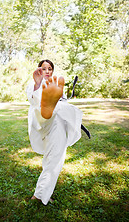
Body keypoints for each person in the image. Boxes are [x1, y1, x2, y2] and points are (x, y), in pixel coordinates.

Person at [26, 59, 83, 205]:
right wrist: (38, 84)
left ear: (52, 70)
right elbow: (32, 101)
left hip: (53, 121)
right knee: (55, 158)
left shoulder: (56, 84)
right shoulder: (32, 84)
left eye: (49, 68)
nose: (47, 71)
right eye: (43, 68)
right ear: (39, 70)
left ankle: (49, 108)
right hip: (44, 121)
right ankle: (40, 195)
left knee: (53, 157)